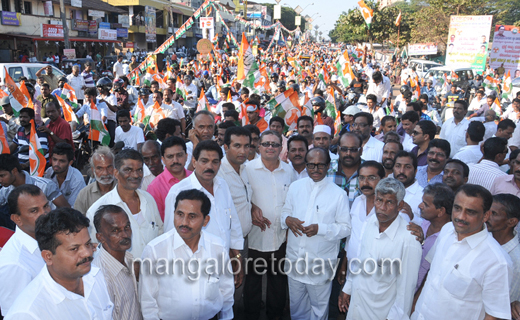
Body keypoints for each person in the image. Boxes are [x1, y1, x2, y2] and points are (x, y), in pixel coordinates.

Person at [411, 185, 512, 320]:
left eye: (470, 212)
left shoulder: (497, 262)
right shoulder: (447, 230)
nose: (460, 217)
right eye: (457, 208)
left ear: (485, 215)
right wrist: (414, 308)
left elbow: (494, 315)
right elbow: (432, 275)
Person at [139, 189, 234, 319]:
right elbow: (147, 301)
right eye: (180, 214)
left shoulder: (218, 248)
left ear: (206, 220)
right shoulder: (155, 250)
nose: (184, 222)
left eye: (192, 216)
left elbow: (226, 292)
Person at [5, 208, 114, 320]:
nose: (87, 253)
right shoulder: (28, 313)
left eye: (87, 244)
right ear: (48, 257)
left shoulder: (95, 275)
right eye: (74, 249)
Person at [282, 147, 351, 320]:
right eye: (311, 165)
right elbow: (284, 212)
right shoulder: (295, 187)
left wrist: (320, 229)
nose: (316, 169)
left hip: (319, 264)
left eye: (321, 165)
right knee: (297, 308)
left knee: (319, 311)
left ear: (328, 166)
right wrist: (288, 220)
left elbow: (345, 228)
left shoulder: (338, 194)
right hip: (295, 260)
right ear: (305, 166)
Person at [338, 178, 422, 319]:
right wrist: (347, 288)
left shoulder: (409, 240)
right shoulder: (370, 222)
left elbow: (405, 292)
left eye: (389, 202)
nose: (382, 207)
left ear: (400, 205)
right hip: (357, 307)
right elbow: (360, 260)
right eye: (379, 200)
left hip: (380, 314)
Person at [164, 141, 244, 280]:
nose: (209, 166)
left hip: (223, 264)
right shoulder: (179, 192)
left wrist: (237, 256)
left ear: (220, 164)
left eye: (215, 162)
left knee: (225, 301)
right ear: (194, 162)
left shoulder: (222, 185)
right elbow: (171, 233)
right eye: (204, 161)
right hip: (195, 269)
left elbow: (233, 221)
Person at [244, 130, 296, 320]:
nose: (270, 147)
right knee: (252, 287)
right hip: (255, 238)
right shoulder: (247, 169)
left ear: (281, 148)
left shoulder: (289, 171)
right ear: (258, 146)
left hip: (280, 238)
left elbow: (293, 201)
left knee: (278, 286)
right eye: (266, 144)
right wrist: (251, 207)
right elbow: (239, 198)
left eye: (275, 144)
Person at [86, 149, 163, 258]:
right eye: (128, 170)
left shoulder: (148, 200)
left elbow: (160, 233)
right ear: (116, 173)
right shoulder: (97, 210)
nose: (136, 175)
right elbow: (95, 250)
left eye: (139, 170)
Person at [0, 185, 51, 316]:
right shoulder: (13, 264)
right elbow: (15, 315)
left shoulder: (48, 237)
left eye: (46, 206)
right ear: (17, 219)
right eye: (34, 211)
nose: (45, 214)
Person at [92, 205, 142, 320]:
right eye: (115, 230)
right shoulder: (101, 278)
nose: (125, 235)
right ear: (100, 237)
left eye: (127, 227)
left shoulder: (128, 259)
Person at [340, 161, 385, 285]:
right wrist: (344, 265)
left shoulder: (390, 209)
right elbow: (352, 238)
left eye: (371, 178)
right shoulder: (357, 202)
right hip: (351, 271)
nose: (365, 183)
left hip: (375, 276)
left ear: (383, 179)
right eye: (361, 178)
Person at [415, 183, 454, 292]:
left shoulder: (449, 237)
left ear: (441, 211)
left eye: (425, 204)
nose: (420, 206)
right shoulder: (424, 224)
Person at [486, 194, 520, 319]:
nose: (487, 216)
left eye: (494, 213)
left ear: (512, 222)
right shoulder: (485, 238)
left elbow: (503, 307)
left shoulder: (515, 261)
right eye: (487, 211)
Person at [217, 127, 253, 237]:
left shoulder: (245, 169)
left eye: (246, 146)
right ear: (226, 147)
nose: (243, 151)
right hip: (228, 243)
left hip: (244, 239)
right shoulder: (218, 174)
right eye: (237, 146)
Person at [147, 136, 191, 220]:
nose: (175, 160)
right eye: (170, 156)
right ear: (163, 159)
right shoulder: (155, 187)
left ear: (186, 156)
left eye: (179, 155)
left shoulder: (196, 178)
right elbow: (158, 221)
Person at [74, 146, 117, 214]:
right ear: (93, 170)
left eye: (109, 167)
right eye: (100, 168)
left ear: (115, 168)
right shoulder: (84, 194)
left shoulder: (125, 190)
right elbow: (78, 222)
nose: (105, 173)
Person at [43, 143, 85, 207]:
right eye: (54, 159)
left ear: (70, 163)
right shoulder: (48, 172)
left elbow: (73, 208)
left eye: (62, 161)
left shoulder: (77, 179)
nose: (56, 164)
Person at [328, 132, 364, 206]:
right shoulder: (327, 170)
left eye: (353, 149)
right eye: (344, 149)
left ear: (361, 151)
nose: (348, 153)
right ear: (338, 150)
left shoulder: (370, 171)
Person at [393, 151, 424, 222]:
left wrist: (412, 217)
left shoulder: (423, 196)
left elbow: (429, 227)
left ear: (415, 171)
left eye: (407, 167)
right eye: (398, 166)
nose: (401, 171)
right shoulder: (386, 191)